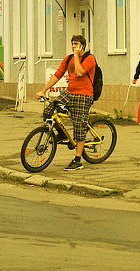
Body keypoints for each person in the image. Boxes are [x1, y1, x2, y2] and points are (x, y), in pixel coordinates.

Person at [35, 34, 96, 171]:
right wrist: (43, 90)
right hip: (70, 93)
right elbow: (57, 75)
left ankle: (78, 159)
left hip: (84, 95)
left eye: (76, 44)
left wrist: (76, 55)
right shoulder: (67, 59)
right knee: (49, 110)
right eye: (72, 44)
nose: (74, 46)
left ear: (82, 46)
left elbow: (80, 72)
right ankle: (61, 133)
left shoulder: (89, 58)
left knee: (79, 126)